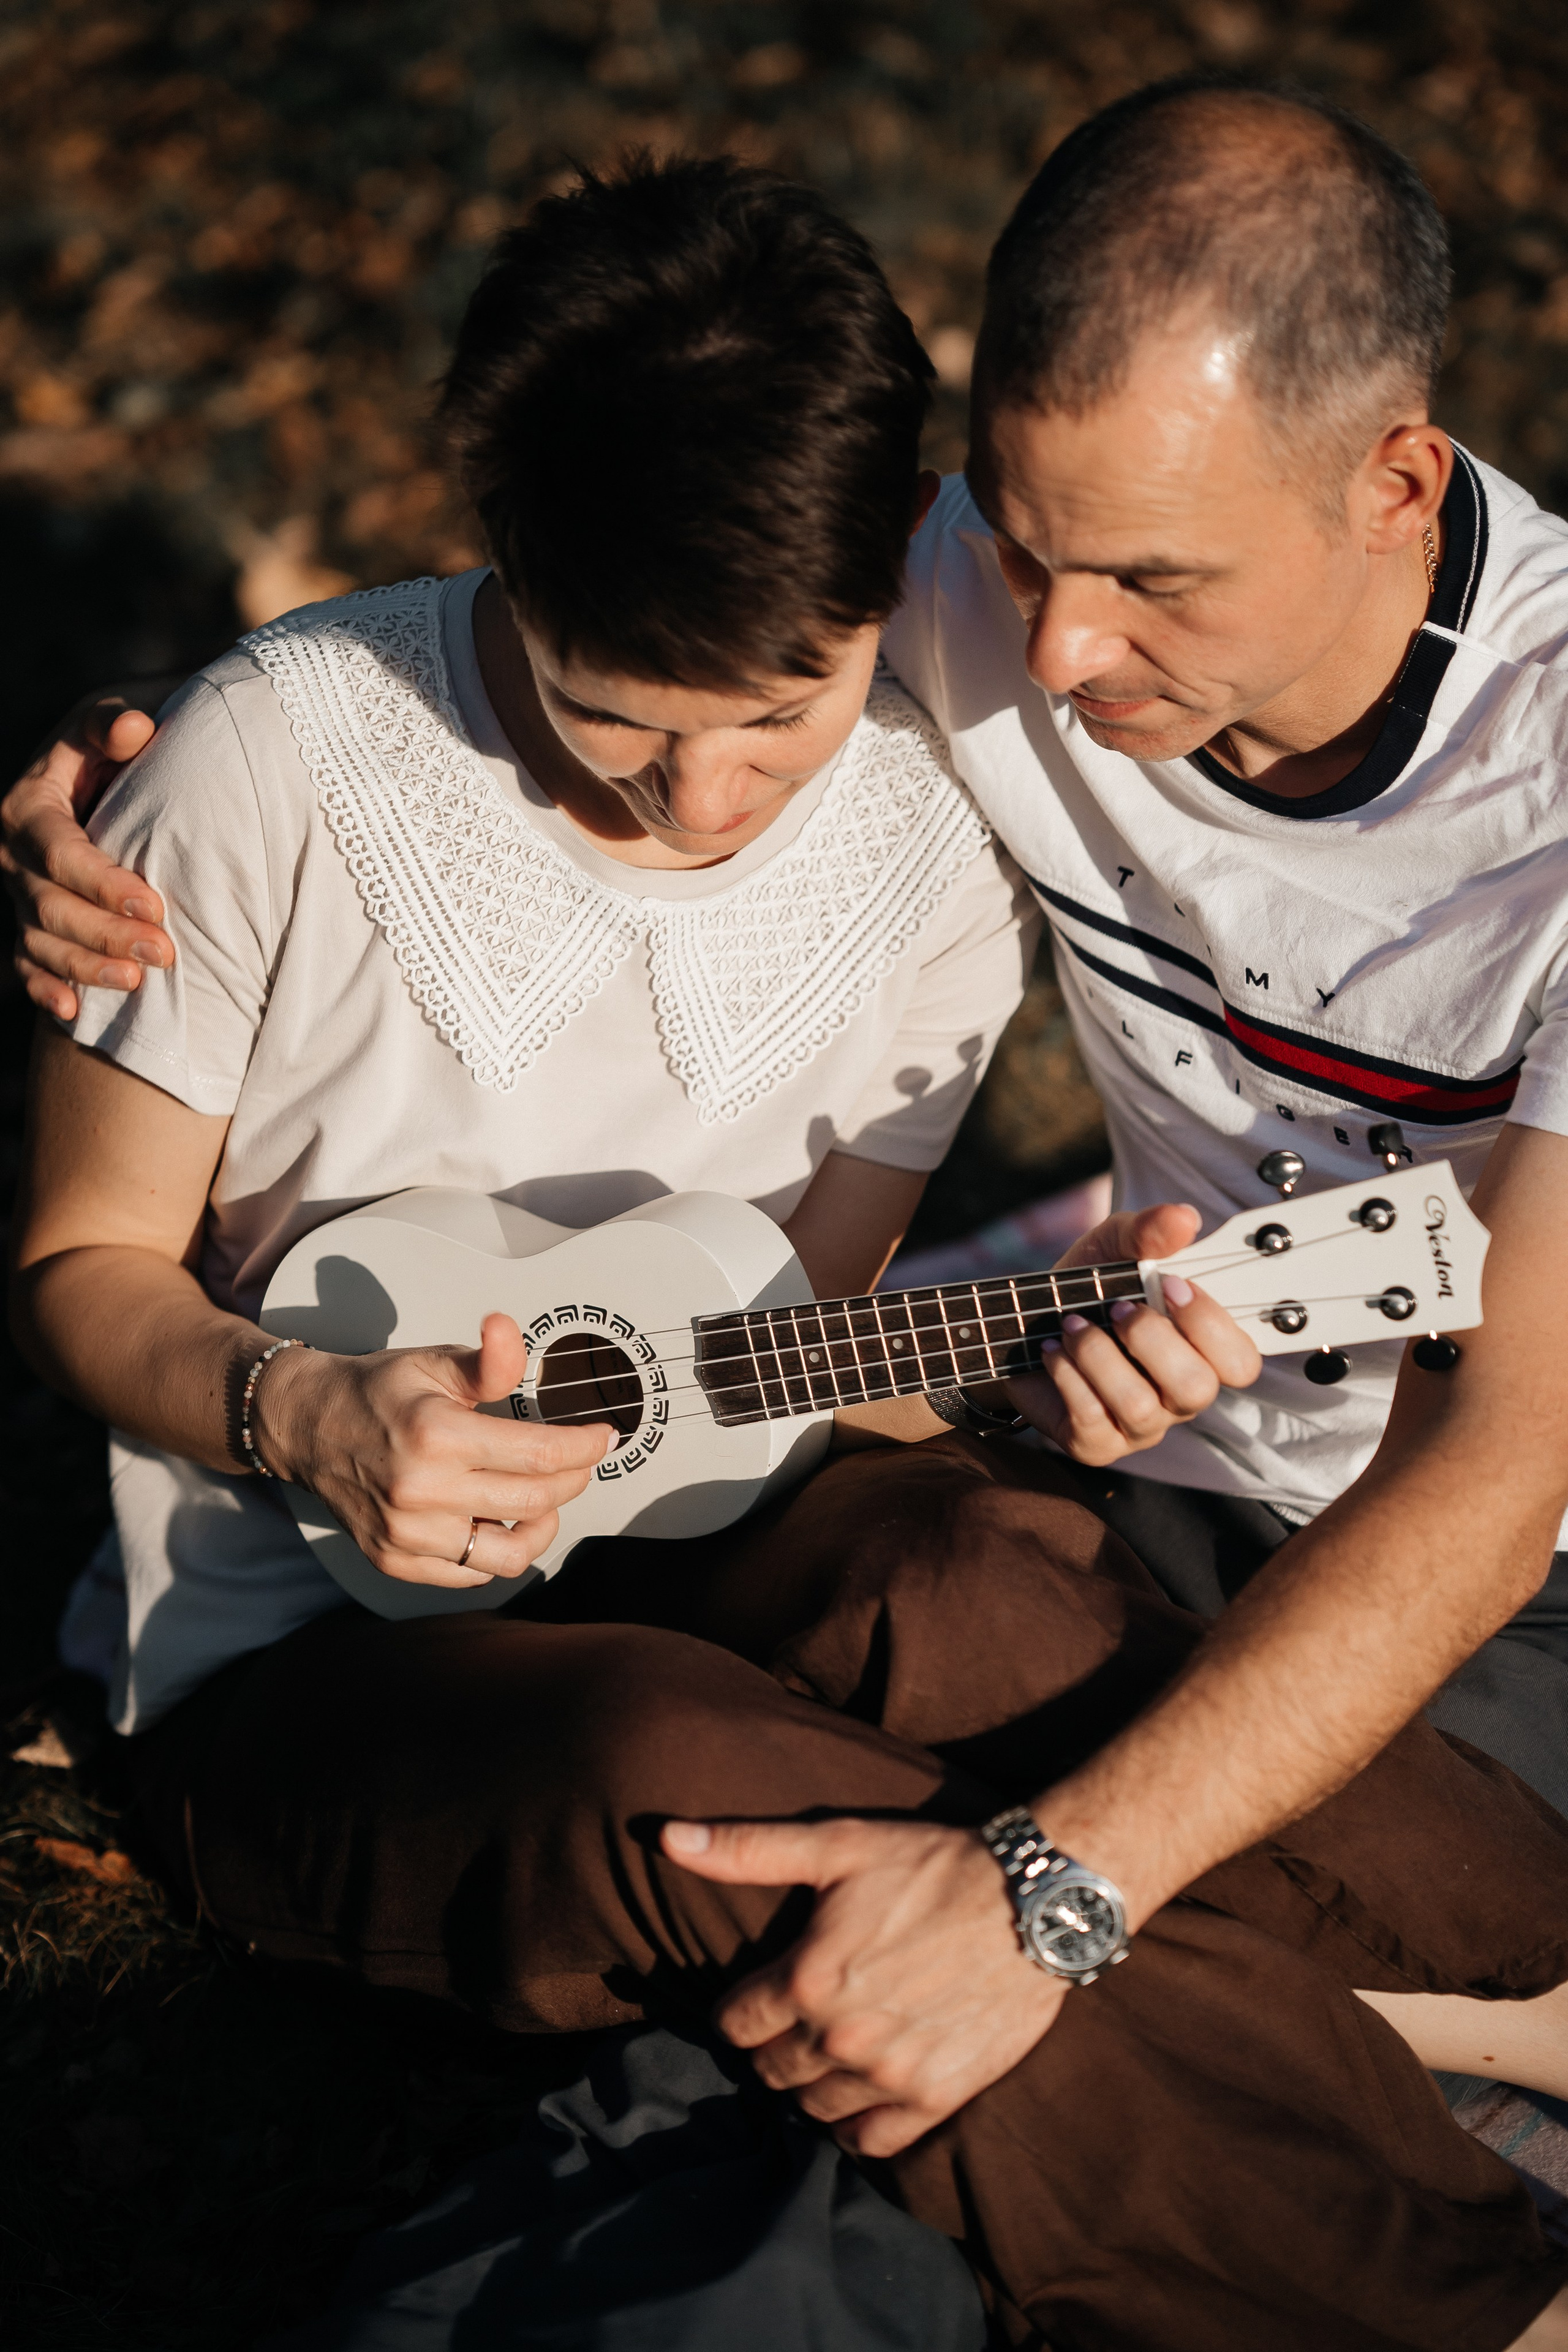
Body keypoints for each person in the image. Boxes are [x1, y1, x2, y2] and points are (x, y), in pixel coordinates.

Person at [8, 138, 1568, 2352]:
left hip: (819, 1529)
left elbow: (794, 1351)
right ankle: (1483, 2294)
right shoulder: (312, 749)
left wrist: (1025, 1398)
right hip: (315, 1638)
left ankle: (1442, 1987)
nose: (704, 795)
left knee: (971, 1593)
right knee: (723, 1792)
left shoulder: (925, 800)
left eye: (777, 716)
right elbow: (82, 1259)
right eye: (618, 714)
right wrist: (298, 1400)